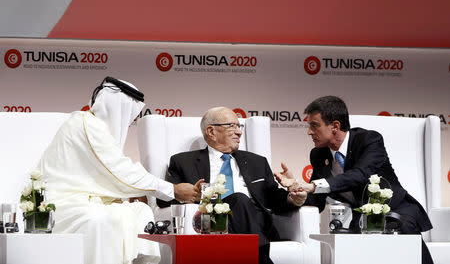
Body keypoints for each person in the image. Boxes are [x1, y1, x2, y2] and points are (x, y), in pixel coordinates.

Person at [38, 76, 202, 264]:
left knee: (141, 211)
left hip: (90, 200)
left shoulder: (96, 128)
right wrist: (172, 190)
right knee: (102, 219)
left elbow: (112, 172)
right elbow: (121, 171)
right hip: (63, 202)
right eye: (131, 114)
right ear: (118, 108)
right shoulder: (86, 125)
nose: (132, 120)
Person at [275, 95, 434, 264]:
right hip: (363, 219)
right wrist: (299, 193)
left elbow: (360, 174)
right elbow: (318, 200)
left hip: (397, 210)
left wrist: (313, 186)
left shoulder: (369, 140)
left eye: (315, 125)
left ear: (335, 126)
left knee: (403, 237)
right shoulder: (319, 154)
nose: (309, 132)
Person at [157, 106, 307, 264]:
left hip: (256, 221)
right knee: (240, 199)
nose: (239, 132)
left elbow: (273, 197)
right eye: (232, 126)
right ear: (211, 131)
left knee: (242, 201)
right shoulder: (183, 162)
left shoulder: (257, 162)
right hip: (210, 223)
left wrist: (293, 198)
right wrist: (187, 195)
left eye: (239, 126)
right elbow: (163, 199)